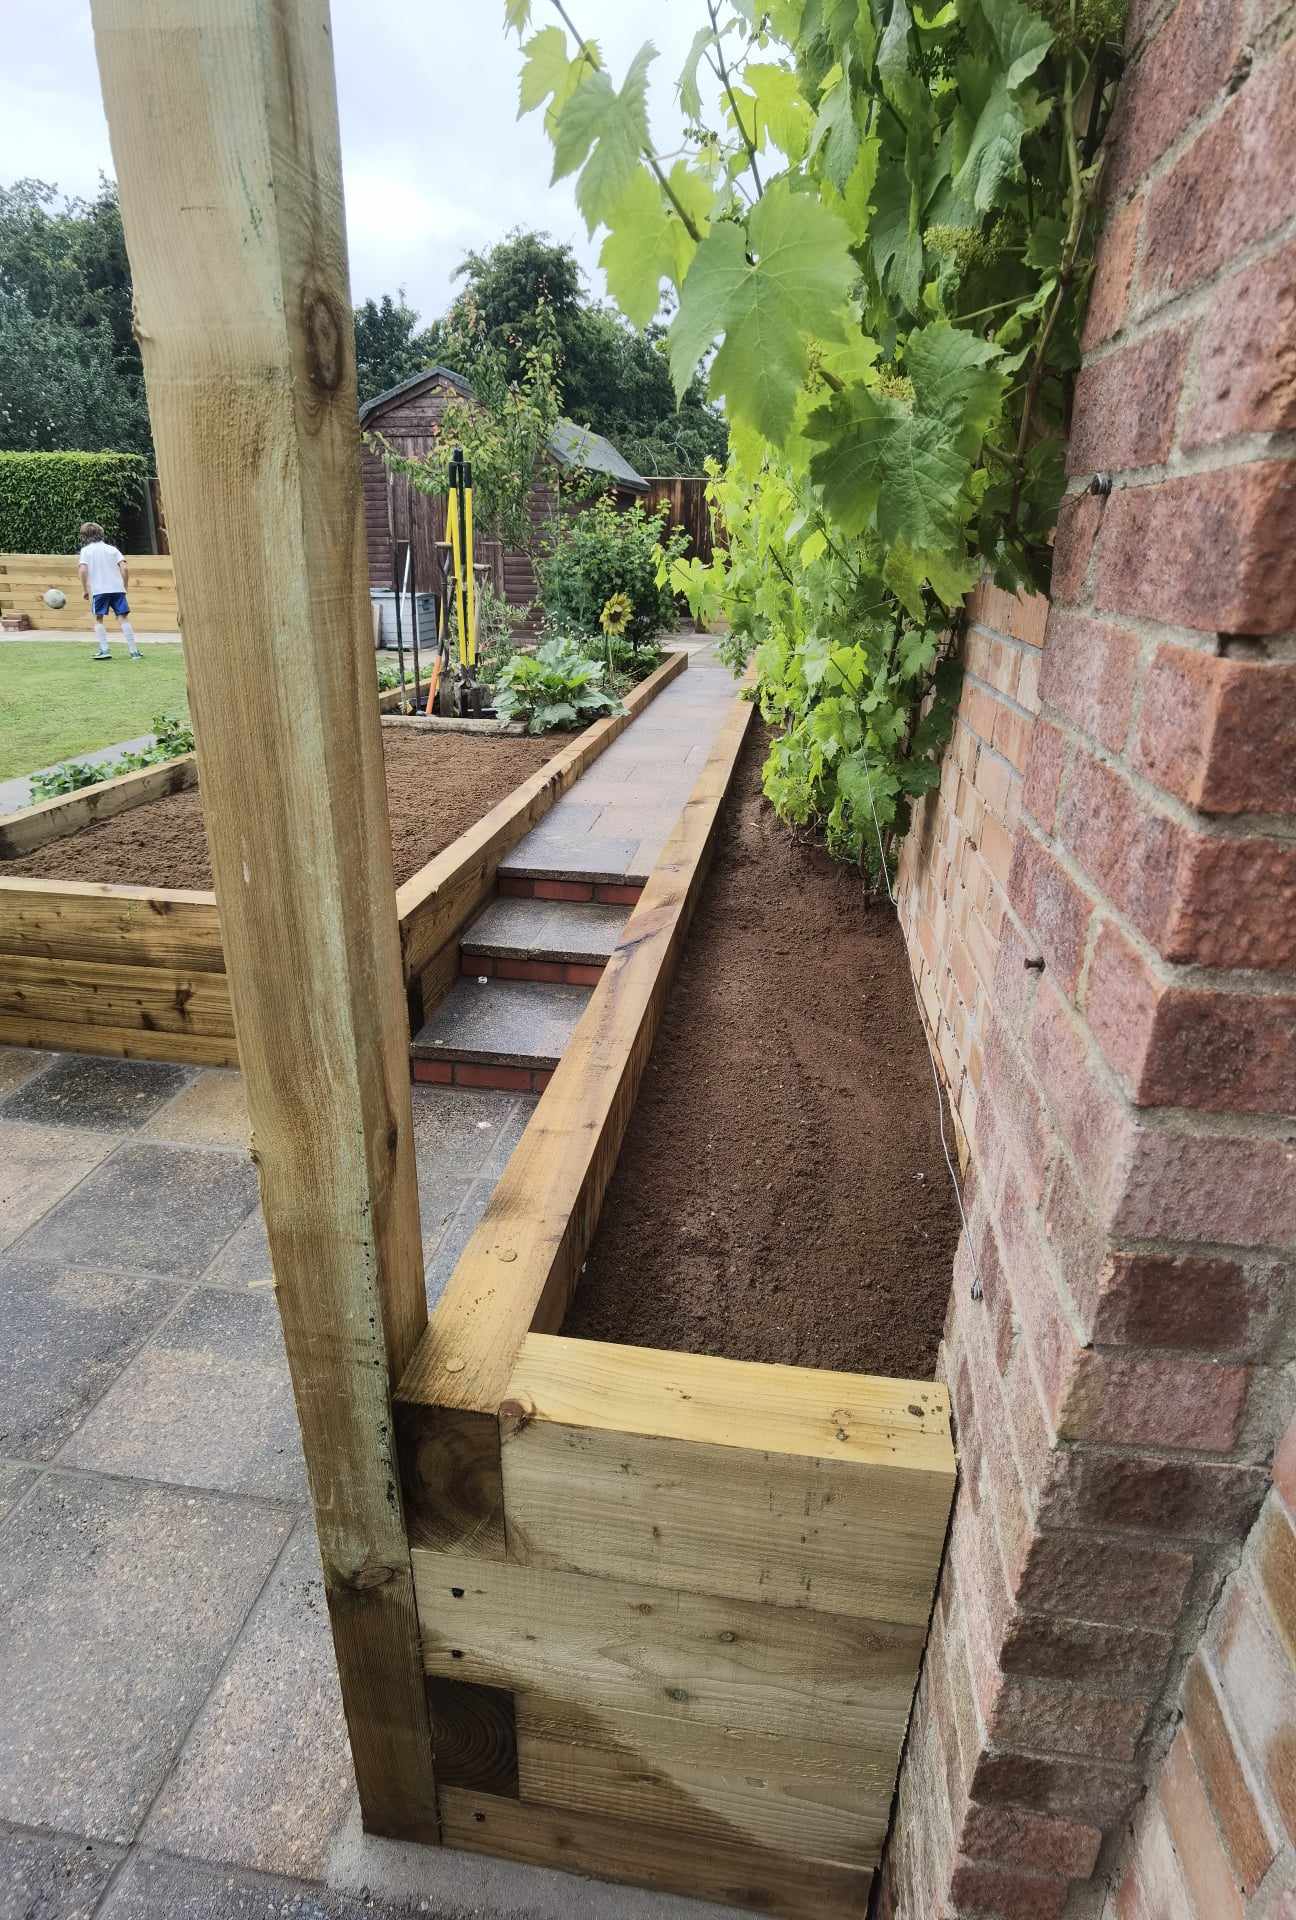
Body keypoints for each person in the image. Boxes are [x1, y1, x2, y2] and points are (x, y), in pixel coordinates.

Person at [77, 522, 143, 660]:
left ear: (84, 536)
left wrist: (84, 589)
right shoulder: (112, 549)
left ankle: (104, 650)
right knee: (123, 618)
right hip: (117, 589)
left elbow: (83, 570)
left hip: (99, 590)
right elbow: (124, 568)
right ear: (101, 533)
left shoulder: (86, 551)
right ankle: (134, 651)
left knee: (98, 619)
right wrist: (124, 586)